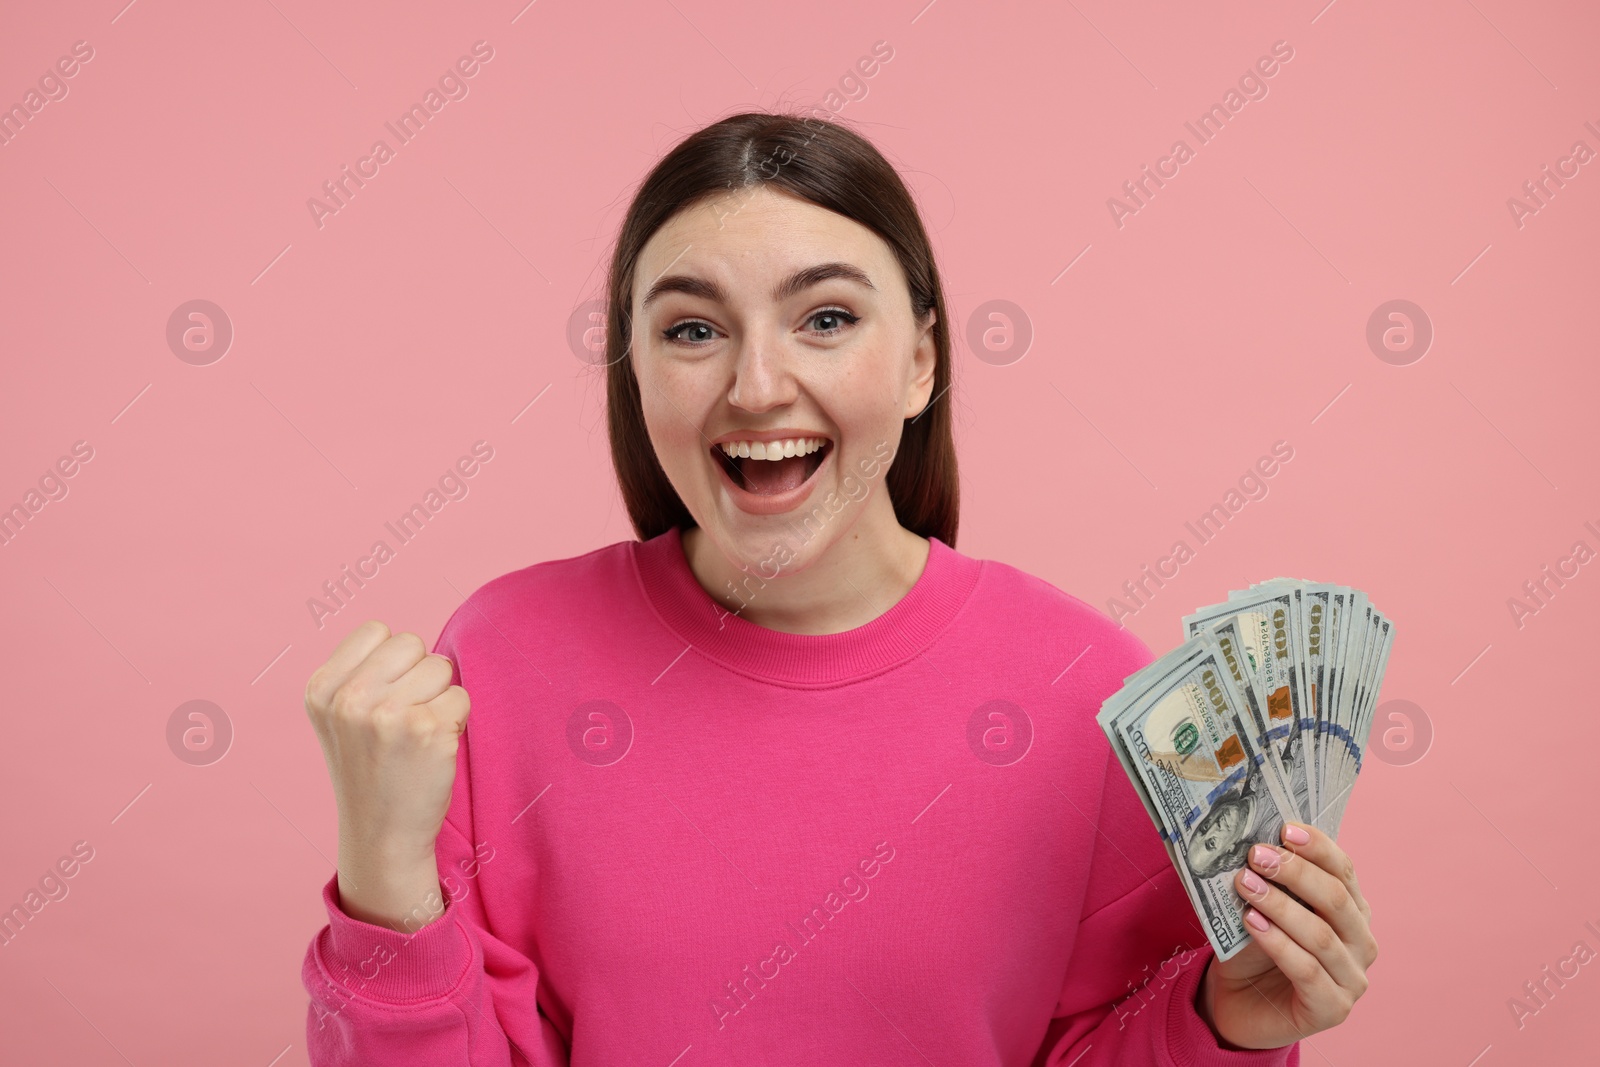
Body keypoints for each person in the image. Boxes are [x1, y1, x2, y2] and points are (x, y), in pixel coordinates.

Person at [298, 111, 1376, 1065]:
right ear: (633, 374)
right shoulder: (501, 661)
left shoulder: (1092, 693)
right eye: (690, 328)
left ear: (920, 360)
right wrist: (385, 881)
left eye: (823, 318)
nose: (757, 383)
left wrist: (1227, 1022)